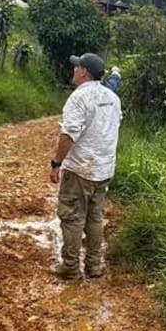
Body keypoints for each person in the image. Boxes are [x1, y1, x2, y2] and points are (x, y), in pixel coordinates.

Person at [49, 52, 122, 280]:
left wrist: (57, 163)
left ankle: (70, 266)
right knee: (95, 217)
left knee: (72, 217)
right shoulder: (112, 98)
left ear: (83, 72)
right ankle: (94, 266)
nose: (73, 70)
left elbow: (69, 134)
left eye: (76, 67)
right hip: (103, 168)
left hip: (80, 168)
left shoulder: (79, 98)